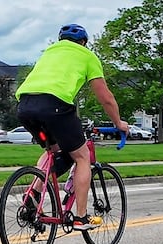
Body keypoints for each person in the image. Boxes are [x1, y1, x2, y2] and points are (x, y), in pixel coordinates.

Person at [15, 24, 129, 230]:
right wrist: (118, 123)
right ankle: (81, 217)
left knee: (52, 150)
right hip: (55, 106)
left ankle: (33, 192)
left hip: (25, 105)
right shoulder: (87, 56)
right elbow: (106, 98)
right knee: (82, 156)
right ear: (84, 43)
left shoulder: (49, 53)